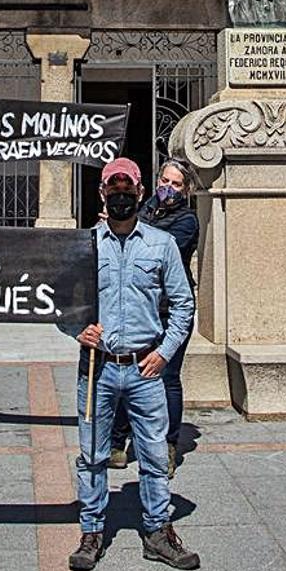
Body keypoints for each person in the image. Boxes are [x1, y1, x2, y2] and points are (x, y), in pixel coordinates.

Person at [69, 157, 199, 571]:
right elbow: (62, 300)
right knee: (92, 453)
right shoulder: (85, 243)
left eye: (128, 188)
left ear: (139, 193)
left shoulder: (160, 244)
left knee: (155, 453)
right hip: (98, 367)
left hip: (144, 367)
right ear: (102, 193)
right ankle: (91, 531)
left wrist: (164, 352)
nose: (121, 194)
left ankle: (158, 530)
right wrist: (75, 329)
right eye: (114, 187)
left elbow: (183, 303)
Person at [109, 157, 200, 478]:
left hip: (170, 310)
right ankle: (117, 442)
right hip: (138, 306)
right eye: (164, 181)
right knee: (125, 372)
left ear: (186, 189)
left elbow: (160, 248)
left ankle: (167, 446)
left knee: (167, 378)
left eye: (176, 184)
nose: (168, 188)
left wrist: (123, 224)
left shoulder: (187, 220)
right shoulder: (143, 209)